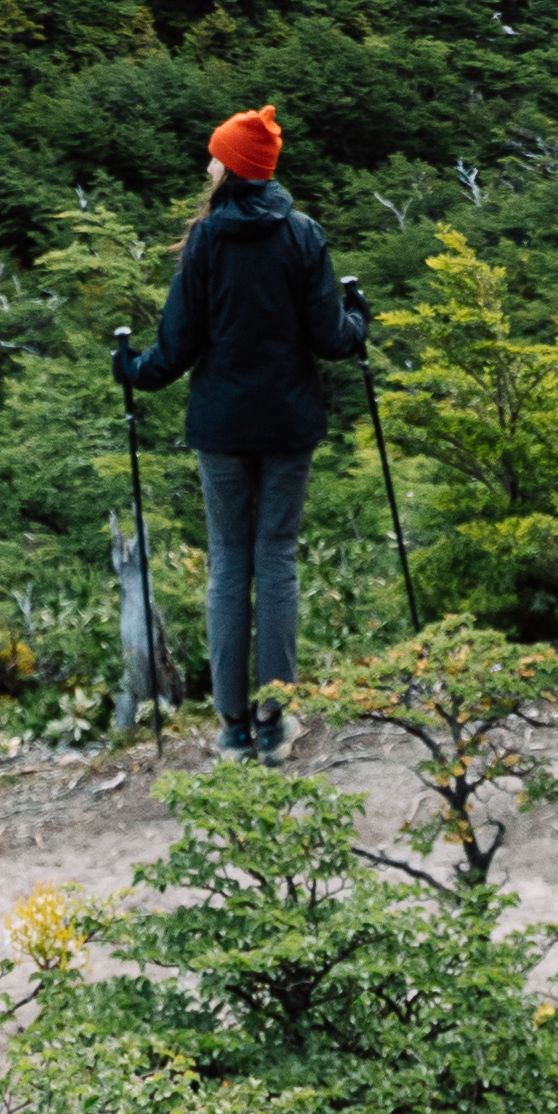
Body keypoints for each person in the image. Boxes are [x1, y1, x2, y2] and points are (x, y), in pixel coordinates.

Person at [114, 104, 371, 757]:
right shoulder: (303, 235)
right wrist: (358, 323)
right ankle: (274, 720)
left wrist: (133, 370)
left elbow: (175, 347)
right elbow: (330, 338)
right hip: (288, 423)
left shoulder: (204, 241)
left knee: (228, 565)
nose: (210, 162)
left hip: (222, 428)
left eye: (216, 154)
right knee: (276, 559)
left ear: (231, 167)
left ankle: (231, 729)